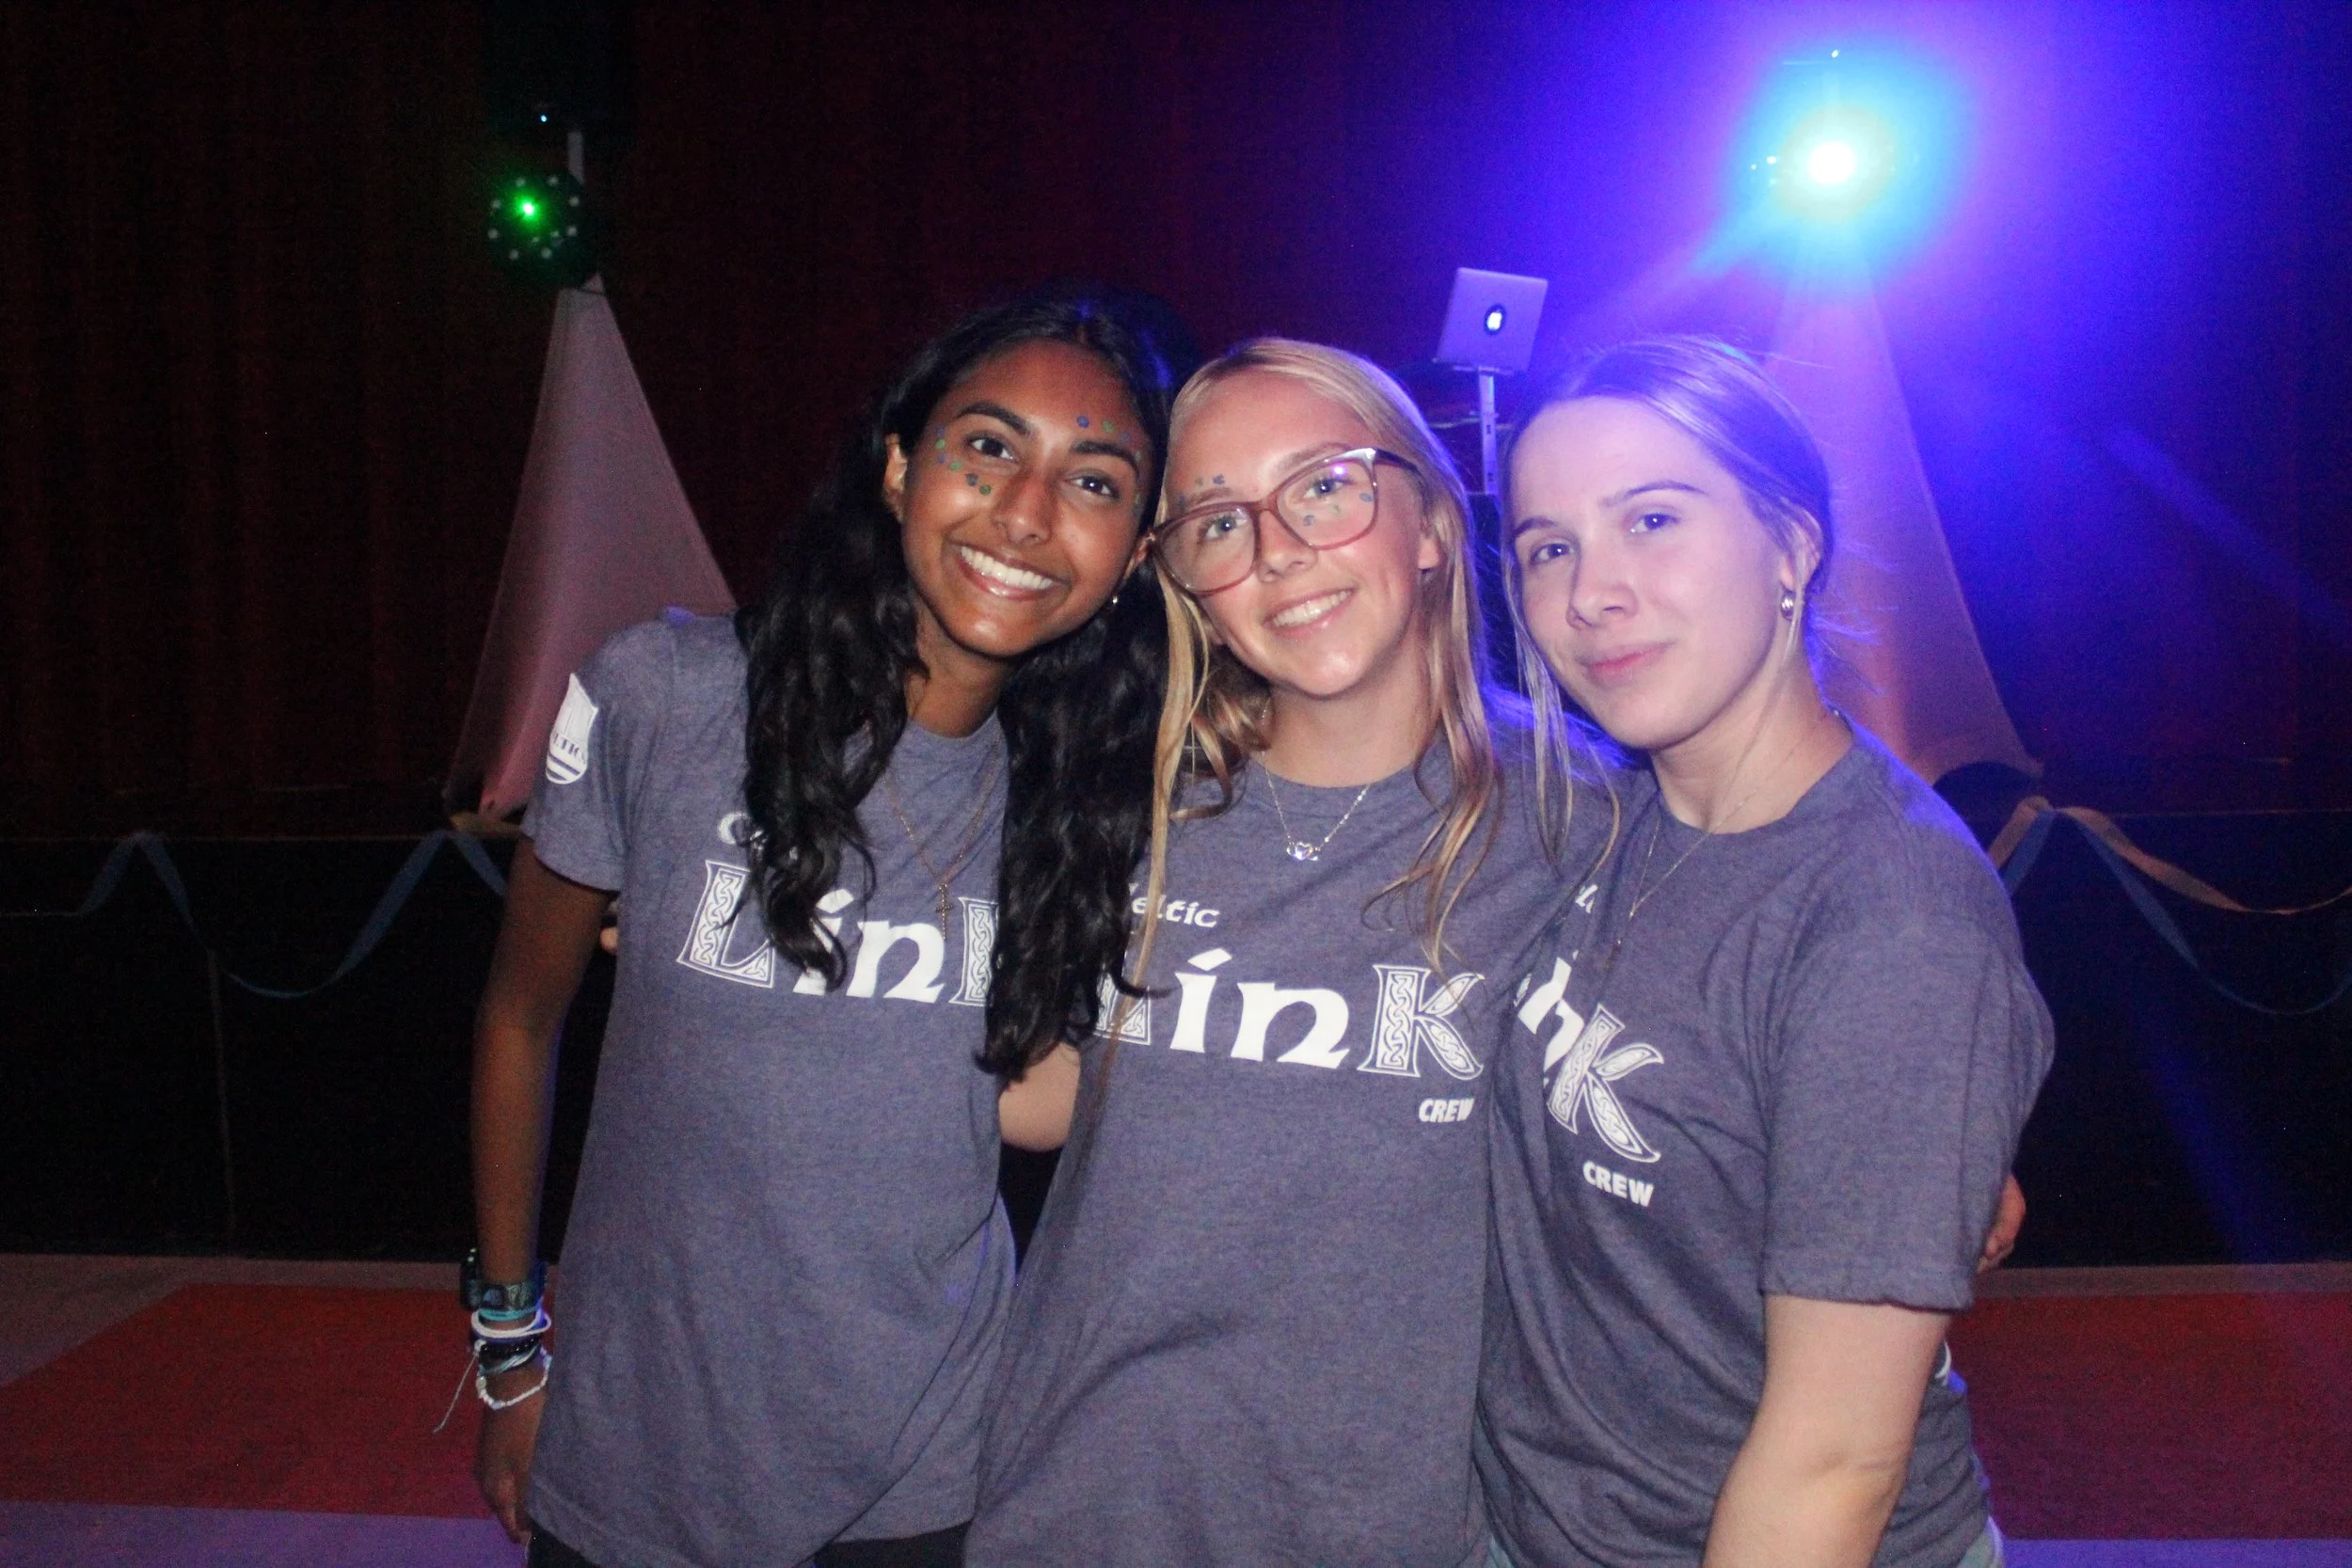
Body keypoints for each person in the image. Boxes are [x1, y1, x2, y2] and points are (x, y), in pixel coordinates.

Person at [467, 285, 1190, 1568]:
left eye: (1094, 482)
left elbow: (1039, 1108)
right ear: (902, 466)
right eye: (987, 446)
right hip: (636, 1449)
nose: (1025, 513)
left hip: (930, 1477)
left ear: (1138, 551)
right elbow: (523, 1017)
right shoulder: (667, 700)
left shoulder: (1101, 813)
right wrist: (510, 1350)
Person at [965, 340, 1597, 1567]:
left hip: (1394, 1524)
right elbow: (1053, 1101)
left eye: (1323, 485)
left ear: (1425, 518)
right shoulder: (1142, 809)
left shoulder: (1582, 820)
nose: (1276, 549)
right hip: (1082, 1503)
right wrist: (805, 997)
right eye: (1215, 520)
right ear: (1186, 580)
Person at [1479, 337, 2055, 1568]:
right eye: (1548, 547)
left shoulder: (1891, 923)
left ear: (1792, 545)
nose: (1592, 592)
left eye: (1652, 519)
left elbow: (1830, 1464)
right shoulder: (1601, 804)